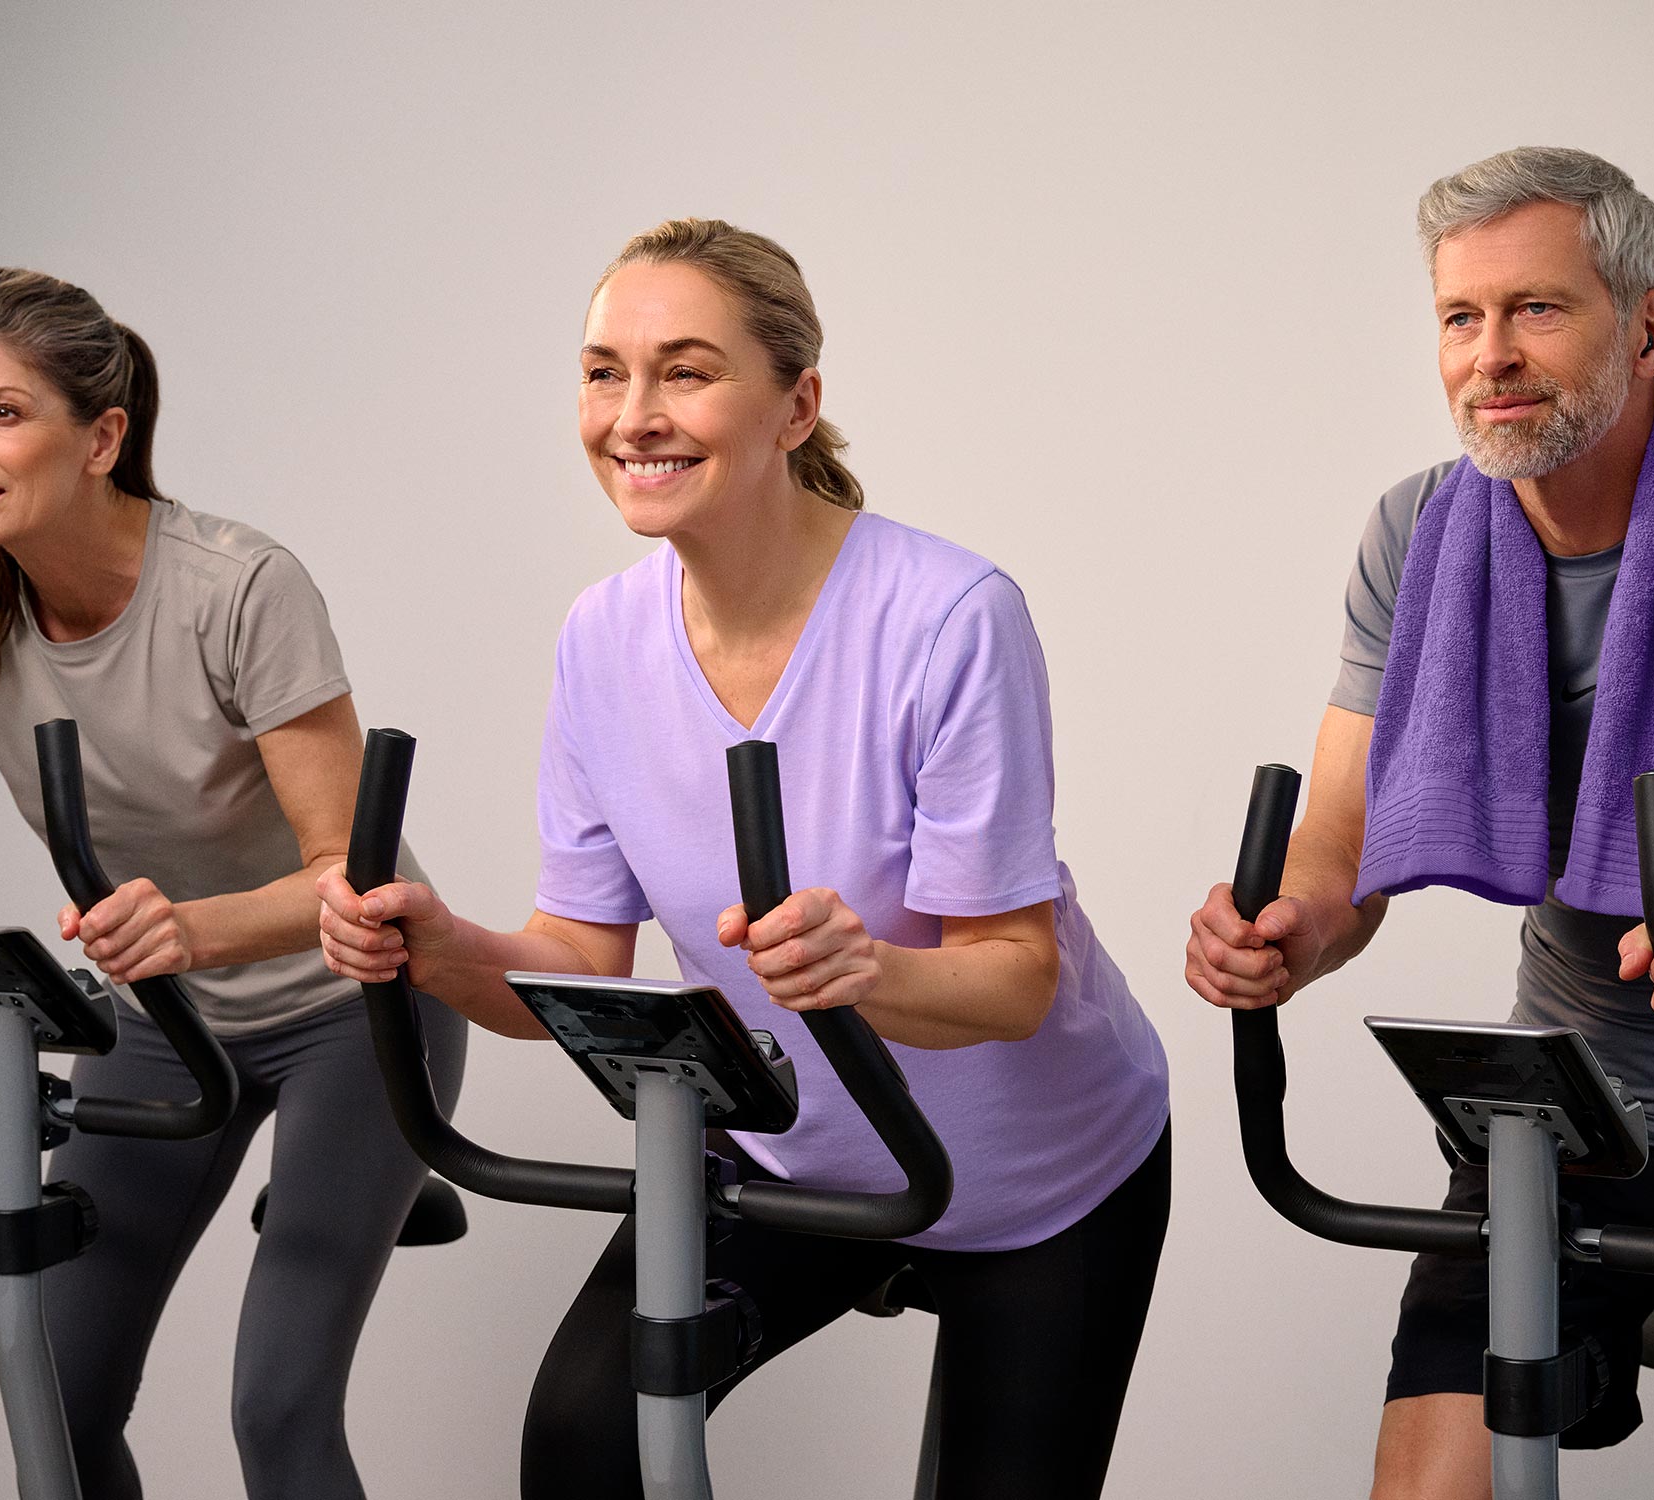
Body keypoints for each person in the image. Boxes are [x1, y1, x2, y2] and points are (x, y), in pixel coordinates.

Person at [318, 217, 1172, 1500]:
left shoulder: (948, 617)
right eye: (604, 370)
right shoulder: (600, 641)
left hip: (1041, 1176)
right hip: (784, 1156)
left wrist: (866, 968)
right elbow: (573, 969)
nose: (633, 414)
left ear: (795, 405)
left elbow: (1012, 980)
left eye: (686, 370)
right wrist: (445, 952)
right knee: (586, 1442)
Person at [1185, 147, 1654, 1500]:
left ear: (1647, 326)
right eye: (1461, 319)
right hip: (1558, 1131)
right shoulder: (1417, 534)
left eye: (1537, 309)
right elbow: (1336, 848)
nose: (1492, 358)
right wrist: (1289, 926)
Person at [0, 267, 467, 1500]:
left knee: (276, 1415)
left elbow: (353, 871)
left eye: (2, 413)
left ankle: (379, 1169)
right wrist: (173, 950)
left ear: (102, 435)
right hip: (166, 1024)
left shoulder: (237, 587)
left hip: (355, 1004)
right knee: (50, 1405)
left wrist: (191, 924)